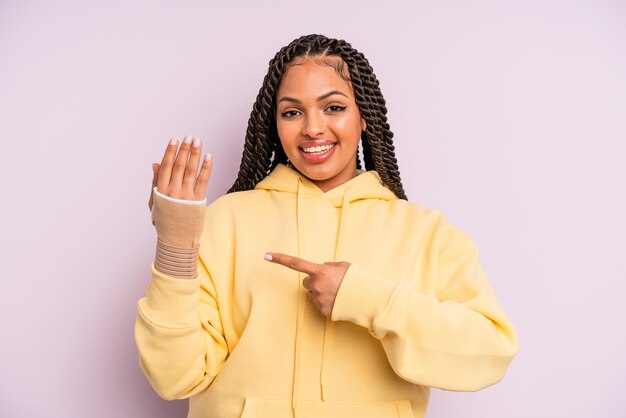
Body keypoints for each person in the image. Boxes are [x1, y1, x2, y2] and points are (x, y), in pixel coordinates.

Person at [135, 34, 519, 418]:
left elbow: (489, 355)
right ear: (274, 124)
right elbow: (175, 377)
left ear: (364, 115)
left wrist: (368, 299)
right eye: (292, 112)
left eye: (333, 107)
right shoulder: (225, 220)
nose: (313, 129)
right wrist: (175, 244)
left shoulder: (424, 232)